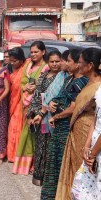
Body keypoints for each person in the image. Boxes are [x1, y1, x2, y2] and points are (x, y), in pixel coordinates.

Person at [41, 49, 89, 199]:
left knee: (66, 162)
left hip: (68, 126)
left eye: (68, 61)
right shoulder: (69, 79)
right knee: (55, 162)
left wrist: (56, 117)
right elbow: (59, 95)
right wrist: (53, 102)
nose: (64, 63)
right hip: (59, 126)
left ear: (77, 64)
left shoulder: (82, 82)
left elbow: (75, 107)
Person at [56, 48, 101, 200]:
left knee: (86, 174)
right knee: (77, 172)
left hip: (90, 133)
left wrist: (91, 149)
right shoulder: (89, 83)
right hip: (82, 132)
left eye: (80, 63)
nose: (78, 65)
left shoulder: (98, 87)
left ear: (90, 65)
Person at [12, 41, 49, 175]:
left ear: (43, 52)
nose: (33, 54)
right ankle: (26, 165)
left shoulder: (46, 67)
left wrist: (36, 88)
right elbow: (22, 82)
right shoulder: (28, 65)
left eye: (36, 52)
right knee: (28, 131)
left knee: (37, 133)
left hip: (39, 105)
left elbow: (46, 85)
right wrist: (25, 87)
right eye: (31, 52)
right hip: (26, 102)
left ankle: (36, 164)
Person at [27, 51, 62, 186]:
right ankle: (38, 175)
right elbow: (36, 96)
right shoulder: (43, 76)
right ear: (48, 62)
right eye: (52, 61)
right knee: (40, 145)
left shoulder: (62, 77)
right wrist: (35, 113)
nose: (54, 64)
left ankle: (50, 178)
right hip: (41, 116)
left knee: (51, 147)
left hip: (54, 116)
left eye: (57, 61)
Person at [71, 86, 101, 200]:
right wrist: (87, 146)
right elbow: (96, 116)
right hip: (94, 147)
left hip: (96, 151)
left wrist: (92, 154)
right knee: (85, 189)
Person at [7, 47, 26, 162]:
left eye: (15, 61)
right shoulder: (9, 68)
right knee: (12, 128)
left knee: (17, 126)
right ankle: (11, 154)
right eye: (11, 60)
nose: (13, 63)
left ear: (21, 60)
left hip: (22, 102)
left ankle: (18, 155)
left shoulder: (26, 69)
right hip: (12, 100)